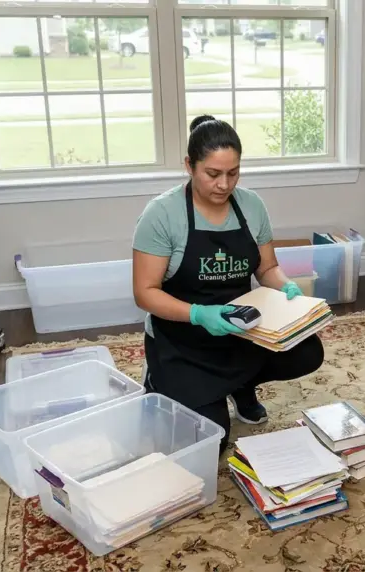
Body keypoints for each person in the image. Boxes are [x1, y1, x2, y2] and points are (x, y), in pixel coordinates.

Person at [133, 114, 324, 452]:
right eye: (213, 174)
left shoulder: (251, 206)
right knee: (214, 442)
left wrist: (287, 287)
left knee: (308, 351)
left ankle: (240, 385)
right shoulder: (162, 215)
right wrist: (199, 315)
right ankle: (158, 379)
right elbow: (145, 293)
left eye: (233, 173)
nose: (224, 184)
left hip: (238, 330)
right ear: (189, 165)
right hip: (183, 342)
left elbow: (266, 269)